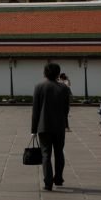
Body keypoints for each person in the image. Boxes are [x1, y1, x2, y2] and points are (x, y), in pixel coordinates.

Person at [31, 63, 71, 191]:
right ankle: (58, 178)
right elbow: (66, 109)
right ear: (58, 74)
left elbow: (35, 110)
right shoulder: (64, 88)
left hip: (44, 126)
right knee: (59, 153)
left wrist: (33, 130)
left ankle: (48, 182)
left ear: (45, 73)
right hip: (59, 126)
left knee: (46, 154)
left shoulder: (39, 87)